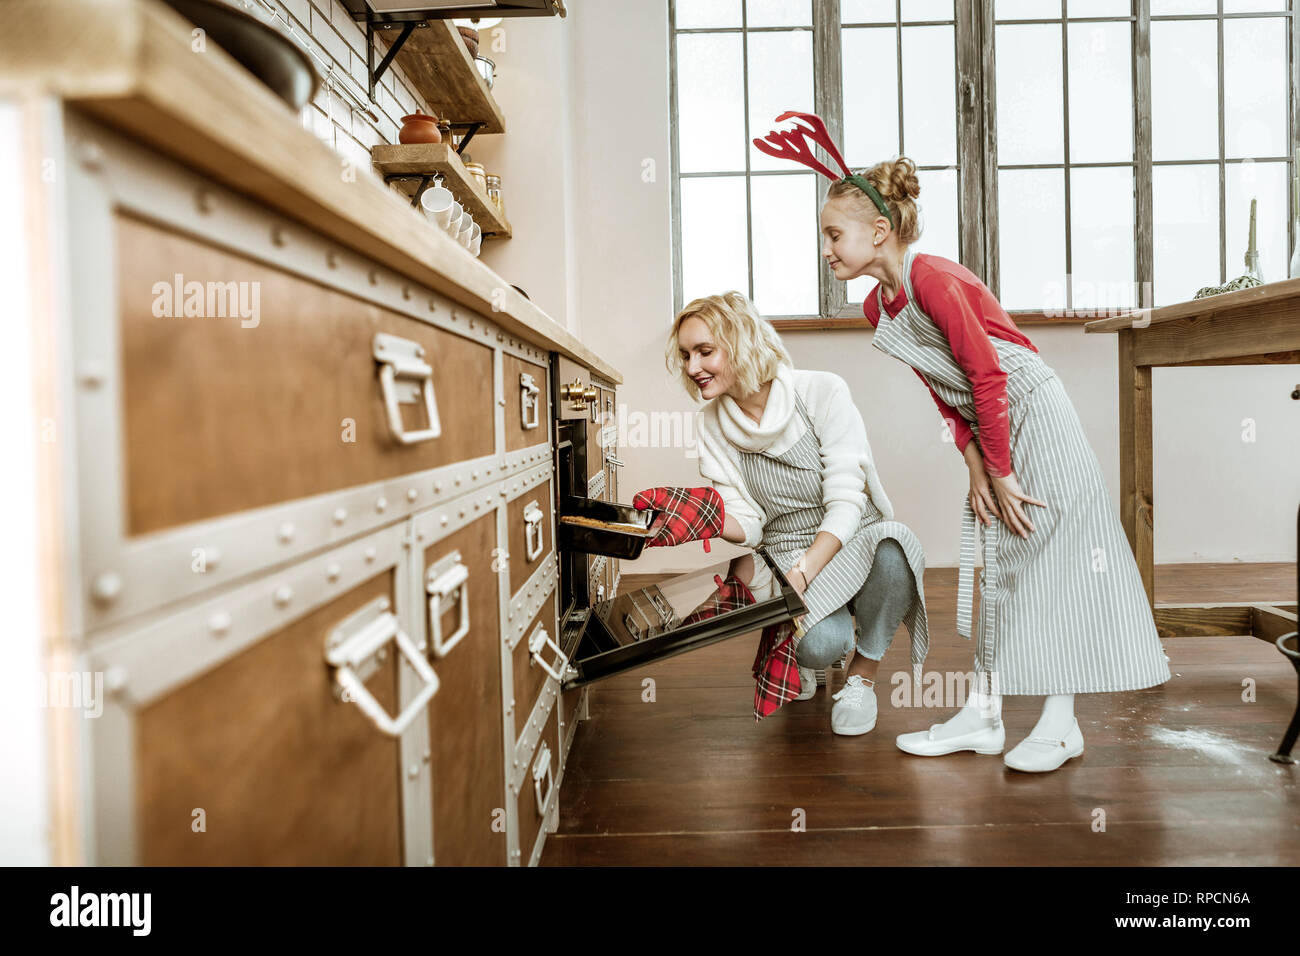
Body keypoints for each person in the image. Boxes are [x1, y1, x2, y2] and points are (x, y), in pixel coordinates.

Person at [753, 110, 1170, 771]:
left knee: (1048, 559)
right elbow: (944, 390)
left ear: (880, 232)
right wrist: (976, 464)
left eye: (834, 235)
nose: (827, 249)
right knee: (1000, 565)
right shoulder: (879, 306)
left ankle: (1061, 726)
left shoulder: (935, 280)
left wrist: (1000, 467)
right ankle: (983, 714)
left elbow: (988, 374)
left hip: (1031, 408)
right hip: (992, 425)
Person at [652, 290, 931, 735]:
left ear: (741, 342)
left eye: (705, 352)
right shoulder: (711, 426)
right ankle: (820, 646)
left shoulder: (821, 392)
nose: (692, 368)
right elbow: (751, 520)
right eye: (686, 355)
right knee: (822, 645)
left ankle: (862, 675)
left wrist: (805, 573)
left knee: (897, 548)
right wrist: (706, 516)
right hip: (784, 545)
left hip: (850, 535)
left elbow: (846, 497)